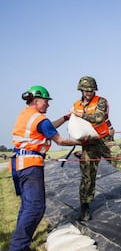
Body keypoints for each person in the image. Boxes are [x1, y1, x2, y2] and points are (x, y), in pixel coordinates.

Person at [9, 85, 83, 251]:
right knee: (35, 208)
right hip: (30, 167)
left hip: (19, 165)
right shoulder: (38, 119)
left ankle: (20, 244)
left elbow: (48, 127)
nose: (48, 104)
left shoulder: (27, 115)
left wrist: (65, 117)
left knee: (27, 207)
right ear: (36, 101)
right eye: (46, 101)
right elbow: (60, 141)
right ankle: (18, 247)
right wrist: (81, 141)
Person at [71, 76, 121, 222]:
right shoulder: (76, 105)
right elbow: (75, 127)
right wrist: (77, 146)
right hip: (88, 144)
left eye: (91, 90)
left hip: (104, 141)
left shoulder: (101, 101)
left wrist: (80, 114)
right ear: (81, 90)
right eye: (86, 90)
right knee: (87, 176)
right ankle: (85, 207)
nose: (88, 93)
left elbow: (99, 118)